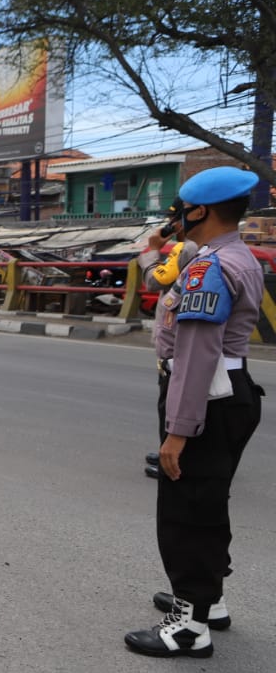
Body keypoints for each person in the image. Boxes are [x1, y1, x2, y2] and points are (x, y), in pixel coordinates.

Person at [124, 166, 265, 659]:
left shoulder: (211, 267)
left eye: (181, 210)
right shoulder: (228, 255)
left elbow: (197, 355)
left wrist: (179, 431)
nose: (177, 219)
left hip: (208, 396)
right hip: (230, 393)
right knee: (208, 500)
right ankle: (209, 602)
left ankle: (189, 626)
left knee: (187, 510)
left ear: (200, 210)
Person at [138, 198, 198, 478]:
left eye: (173, 219)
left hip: (176, 344)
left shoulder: (186, 248)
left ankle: (172, 459)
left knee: (171, 402)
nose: (169, 224)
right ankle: (169, 449)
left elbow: (155, 280)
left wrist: (152, 250)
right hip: (176, 339)